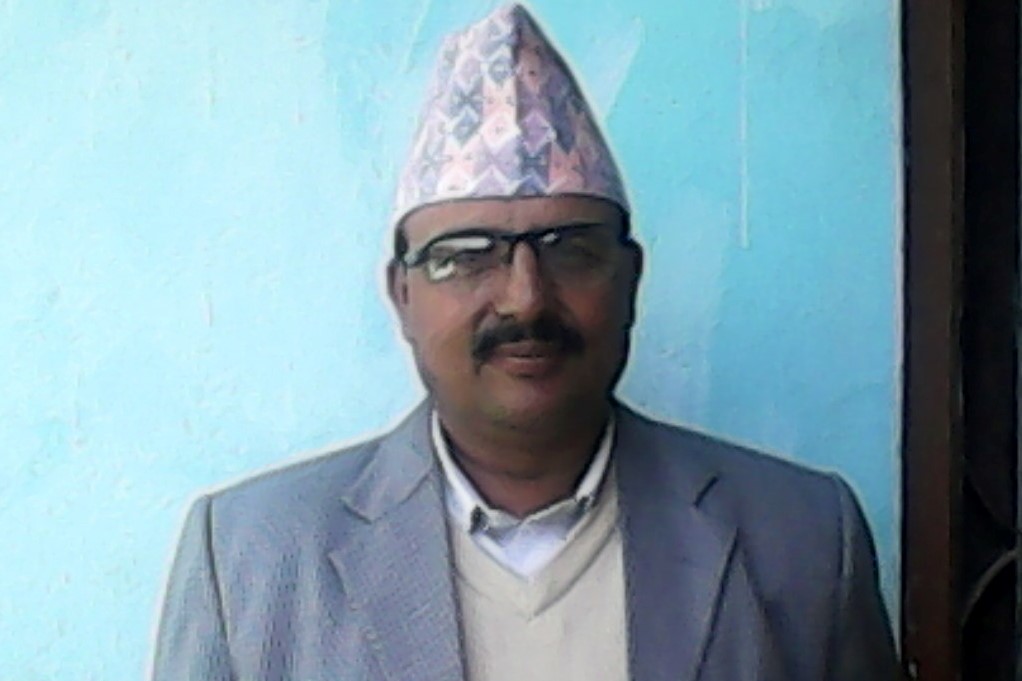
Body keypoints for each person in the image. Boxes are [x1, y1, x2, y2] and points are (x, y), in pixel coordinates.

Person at [152, 4, 899, 680]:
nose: (525, 297)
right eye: (466, 255)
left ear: (630, 279)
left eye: (570, 248)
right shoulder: (251, 558)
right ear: (402, 294)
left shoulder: (801, 538)